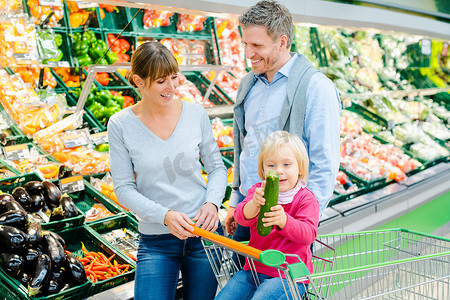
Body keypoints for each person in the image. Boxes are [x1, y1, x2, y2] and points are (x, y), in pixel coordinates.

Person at [108, 41, 227, 300]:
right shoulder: (120, 125)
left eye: (174, 78)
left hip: (203, 235)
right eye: (162, 81)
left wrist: (212, 204)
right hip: (156, 241)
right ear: (139, 82)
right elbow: (124, 189)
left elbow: (217, 168)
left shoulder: (195, 114)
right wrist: (165, 216)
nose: (172, 88)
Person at [224, 0, 341, 244]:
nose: (248, 53)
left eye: (257, 45)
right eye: (245, 43)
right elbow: (244, 149)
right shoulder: (247, 84)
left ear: (283, 42)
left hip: (287, 221)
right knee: (244, 280)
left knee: (278, 284)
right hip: (249, 211)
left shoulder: (316, 88)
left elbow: (324, 163)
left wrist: (303, 223)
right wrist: (236, 202)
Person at [216, 131, 319, 299]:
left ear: (300, 167)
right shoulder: (258, 191)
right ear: (262, 169)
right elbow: (241, 217)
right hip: (254, 269)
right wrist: (254, 204)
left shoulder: (306, 199)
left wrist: (284, 221)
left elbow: (308, 235)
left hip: (290, 275)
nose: (279, 171)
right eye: (271, 165)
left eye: (287, 165)